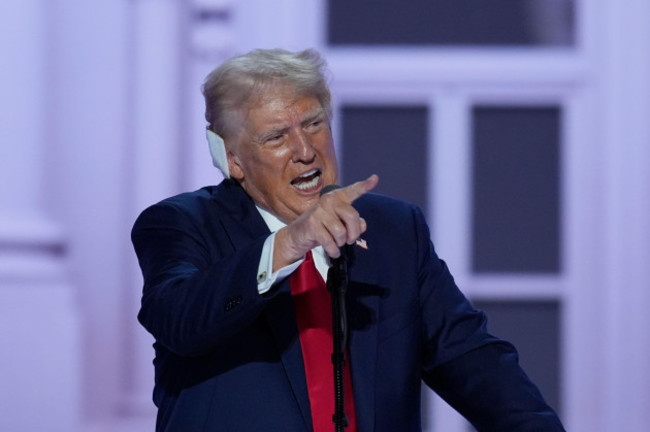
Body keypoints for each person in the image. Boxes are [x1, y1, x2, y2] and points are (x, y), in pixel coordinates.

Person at [131, 48, 565, 432]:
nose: (305, 150)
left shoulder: (393, 228)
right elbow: (178, 319)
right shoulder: (179, 223)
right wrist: (289, 243)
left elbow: (472, 360)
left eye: (314, 124)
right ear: (232, 159)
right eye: (277, 137)